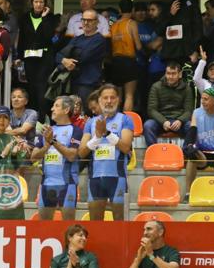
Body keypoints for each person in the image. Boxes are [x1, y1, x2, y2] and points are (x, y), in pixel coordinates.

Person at [79, 84, 134, 221]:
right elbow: (81, 152)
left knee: (120, 224)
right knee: (96, 224)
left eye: (112, 98)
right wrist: (97, 138)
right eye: (105, 98)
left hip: (117, 178)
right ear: (99, 100)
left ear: (118, 100)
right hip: (95, 179)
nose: (109, 101)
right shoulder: (91, 123)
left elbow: (126, 147)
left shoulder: (125, 119)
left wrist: (107, 133)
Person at [31, 96, 83, 220]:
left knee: (68, 227)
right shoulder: (46, 131)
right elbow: (33, 157)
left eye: (56, 106)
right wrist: (47, 146)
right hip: (46, 184)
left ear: (66, 110)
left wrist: (53, 141)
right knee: (44, 228)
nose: (52, 109)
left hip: (67, 185)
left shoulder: (76, 131)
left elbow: (71, 156)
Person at [15, 0, 57, 122]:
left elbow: (49, 36)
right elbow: (22, 39)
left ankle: (42, 119)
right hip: (29, 59)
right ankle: (31, 121)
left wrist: (44, 18)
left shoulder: (51, 18)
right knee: (31, 88)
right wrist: (18, 57)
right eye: (36, 1)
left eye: (41, 2)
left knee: (42, 89)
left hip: (44, 58)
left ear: (45, 3)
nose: (38, 4)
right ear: (32, 3)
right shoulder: (25, 17)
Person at [56, 9, 107, 109]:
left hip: (88, 84)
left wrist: (68, 56)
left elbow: (82, 57)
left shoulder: (100, 40)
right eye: (83, 20)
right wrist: (64, 60)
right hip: (72, 82)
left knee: (85, 115)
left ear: (97, 22)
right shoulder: (77, 39)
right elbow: (58, 55)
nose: (86, 23)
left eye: (90, 20)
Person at [144, 61, 194, 146]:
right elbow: (151, 109)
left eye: (174, 74)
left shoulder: (187, 89)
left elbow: (189, 110)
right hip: (160, 121)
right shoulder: (156, 87)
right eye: (168, 73)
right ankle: (154, 153)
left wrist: (180, 120)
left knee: (191, 126)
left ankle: (186, 153)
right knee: (148, 125)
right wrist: (163, 121)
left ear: (180, 74)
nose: (170, 76)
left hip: (179, 121)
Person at [110, 0, 142, 112]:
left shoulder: (113, 26)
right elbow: (138, 46)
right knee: (129, 95)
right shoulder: (131, 23)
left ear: (119, 9)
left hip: (115, 62)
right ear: (132, 10)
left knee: (118, 96)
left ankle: (115, 122)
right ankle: (127, 122)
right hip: (128, 61)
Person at [159, 0, 202, 64]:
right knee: (171, 76)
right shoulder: (166, 6)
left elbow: (198, 29)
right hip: (170, 52)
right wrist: (170, 14)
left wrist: (194, 50)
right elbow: (159, 30)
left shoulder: (192, 6)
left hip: (188, 52)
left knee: (187, 77)